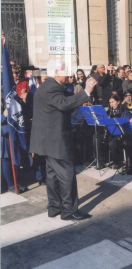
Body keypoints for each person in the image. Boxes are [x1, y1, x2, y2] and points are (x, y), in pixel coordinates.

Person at [30, 59, 97, 220]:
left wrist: (69, 110)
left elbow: (60, 105)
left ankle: (54, 207)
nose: (69, 74)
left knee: (52, 176)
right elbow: (63, 103)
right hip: (56, 140)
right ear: (57, 73)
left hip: (47, 140)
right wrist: (86, 91)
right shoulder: (52, 87)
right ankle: (69, 210)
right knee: (67, 175)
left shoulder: (49, 86)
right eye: (66, 71)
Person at [93, 95, 131, 170]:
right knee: (96, 137)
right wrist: (103, 126)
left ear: (118, 102)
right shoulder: (108, 112)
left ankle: (117, 162)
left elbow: (127, 124)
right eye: (110, 102)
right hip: (109, 133)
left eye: (113, 102)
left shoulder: (124, 111)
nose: (111, 104)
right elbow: (103, 122)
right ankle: (101, 162)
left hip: (119, 134)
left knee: (112, 143)